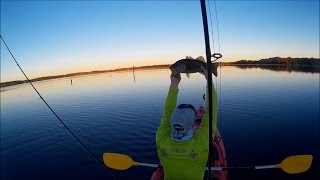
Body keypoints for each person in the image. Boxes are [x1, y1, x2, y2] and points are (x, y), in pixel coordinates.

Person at [156, 66, 217, 180]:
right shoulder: (201, 144)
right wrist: (208, 78)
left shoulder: (161, 138)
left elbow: (167, 111)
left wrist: (174, 83)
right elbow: (212, 111)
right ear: (193, 124)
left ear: (172, 120)